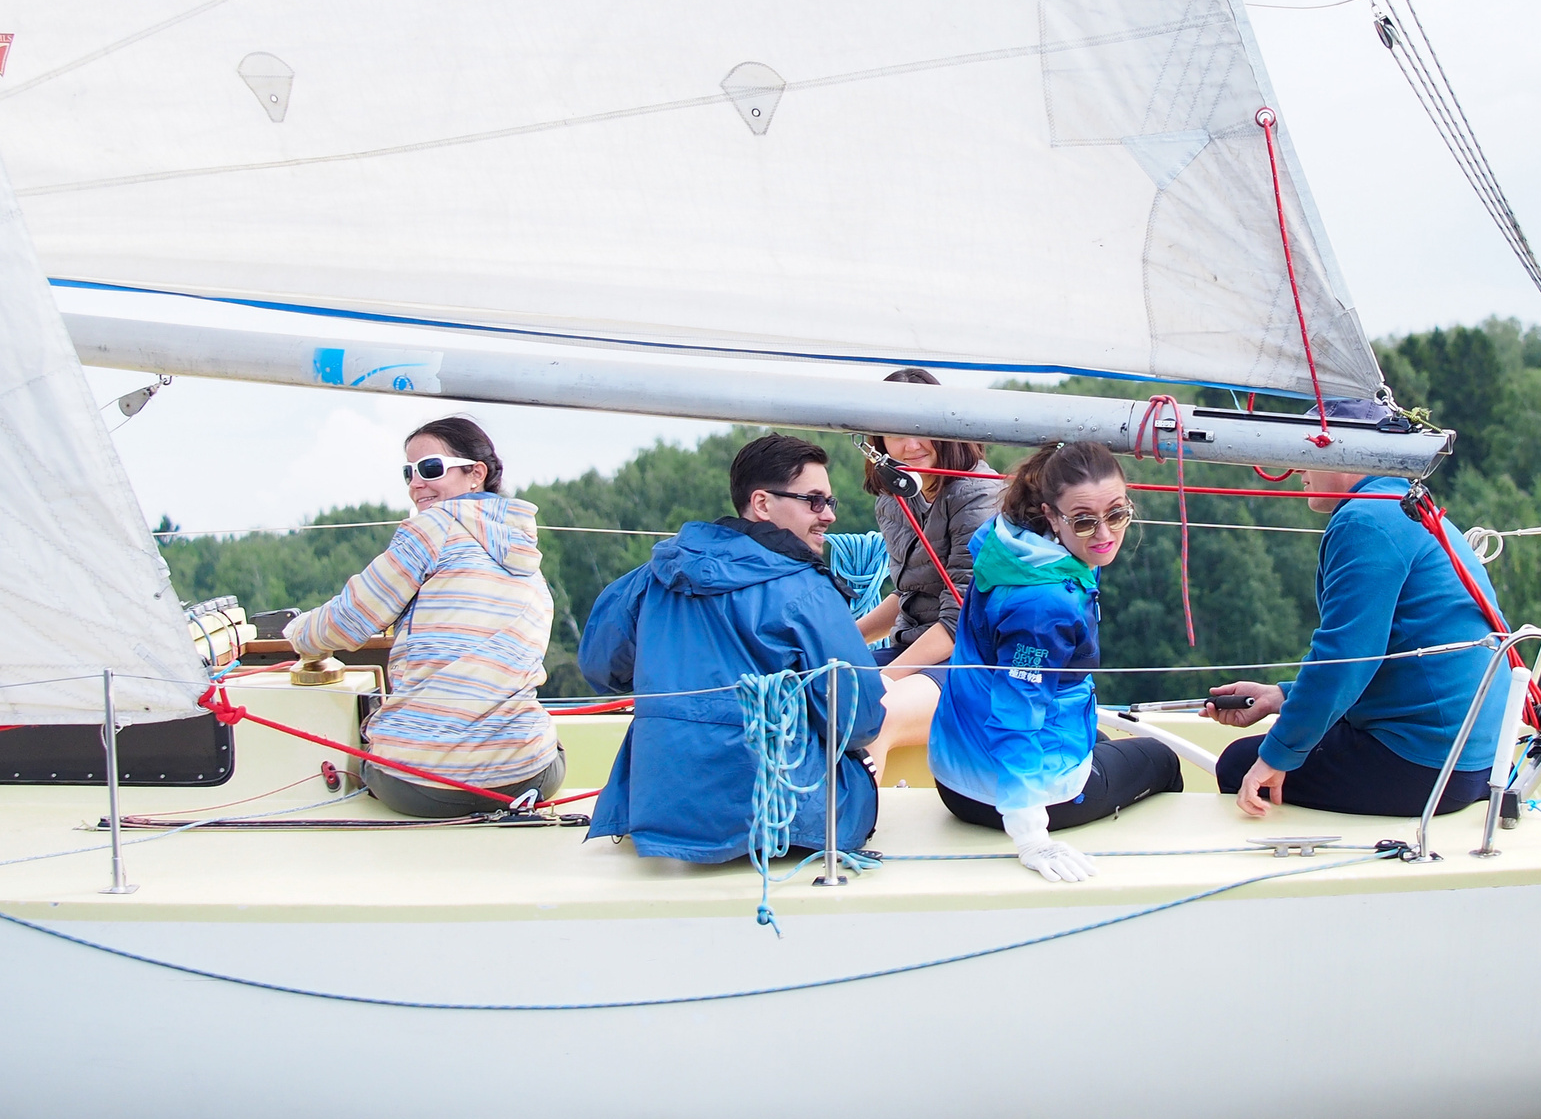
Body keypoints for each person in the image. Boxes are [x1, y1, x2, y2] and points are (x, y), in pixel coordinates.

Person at [577, 433, 886, 862]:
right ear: (762, 504)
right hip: (779, 823)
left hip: (659, 809)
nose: (829, 515)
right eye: (815, 501)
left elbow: (600, 669)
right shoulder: (807, 590)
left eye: (830, 502)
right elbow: (857, 720)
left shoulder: (650, 577)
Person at [1205, 399, 1512, 819]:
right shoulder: (1401, 503)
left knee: (1240, 765)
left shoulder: (1365, 521)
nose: (1297, 469)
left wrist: (1276, 758)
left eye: (1306, 451)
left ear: (1342, 452)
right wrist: (1280, 697)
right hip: (1479, 760)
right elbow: (1380, 658)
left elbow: (1344, 658)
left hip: (1429, 767)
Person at [934, 439, 1184, 882]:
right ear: (1050, 514)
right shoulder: (1044, 606)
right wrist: (1032, 838)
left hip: (958, 769)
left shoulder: (1018, 546)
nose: (1105, 535)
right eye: (1085, 521)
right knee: (1161, 759)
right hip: (995, 797)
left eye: (1118, 514)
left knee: (1102, 741)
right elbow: (1015, 719)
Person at [287, 417, 561, 817]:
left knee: (359, 759)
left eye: (430, 468)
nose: (416, 484)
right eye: (408, 472)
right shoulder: (524, 553)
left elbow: (350, 620)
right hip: (530, 779)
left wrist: (296, 634)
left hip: (423, 785)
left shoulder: (434, 526)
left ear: (476, 474)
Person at [854, 367, 1004, 777]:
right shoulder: (893, 499)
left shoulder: (978, 494)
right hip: (913, 649)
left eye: (921, 426)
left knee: (871, 714)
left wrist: (884, 679)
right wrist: (844, 640)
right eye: (895, 431)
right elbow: (908, 595)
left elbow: (960, 617)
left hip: (971, 662)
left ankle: (857, 836)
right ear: (878, 440)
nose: (910, 443)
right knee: (816, 690)